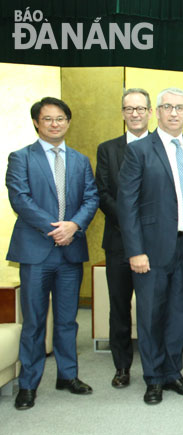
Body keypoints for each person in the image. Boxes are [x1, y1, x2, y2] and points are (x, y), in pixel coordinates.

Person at [6, 97, 99, 410]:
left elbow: (91, 198)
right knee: (34, 323)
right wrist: (55, 229)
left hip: (70, 253)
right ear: (36, 122)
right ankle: (28, 385)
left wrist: (73, 226)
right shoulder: (20, 158)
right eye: (48, 119)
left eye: (60, 118)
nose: (55, 124)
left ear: (68, 122)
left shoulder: (80, 160)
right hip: (35, 253)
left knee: (67, 321)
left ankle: (67, 375)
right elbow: (20, 199)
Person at [117, 87, 183, 405]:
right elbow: (126, 205)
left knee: (180, 314)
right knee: (151, 314)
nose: (173, 113)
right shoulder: (140, 150)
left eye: (180, 108)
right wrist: (135, 250)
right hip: (150, 251)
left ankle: (172, 372)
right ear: (157, 112)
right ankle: (153, 378)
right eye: (167, 107)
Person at [96, 88, 152, 388]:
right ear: (122, 113)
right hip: (118, 241)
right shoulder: (108, 149)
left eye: (141, 108)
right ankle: (122, 367)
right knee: (120, 307)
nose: (135, 114)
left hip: (156, 244)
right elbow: (102, 193)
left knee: (152, 308)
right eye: (129, 109)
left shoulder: (163, 146)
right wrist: (131, 224)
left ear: (150, 112)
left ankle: (154, 368)